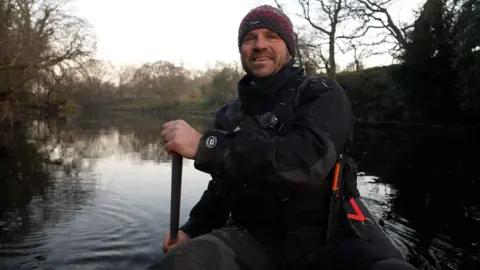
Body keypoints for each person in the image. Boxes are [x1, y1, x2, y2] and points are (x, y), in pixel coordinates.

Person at [158, 4, 417, 270]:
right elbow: (221, 189)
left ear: (289, 48)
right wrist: (192, 228)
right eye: (250, 38)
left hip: (327, 241)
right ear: (242, 51)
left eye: (271, 36)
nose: (259, 45)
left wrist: (207, 146)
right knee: (181, 262)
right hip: (254, 239)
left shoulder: (322, 94)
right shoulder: (229, 115)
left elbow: (307, 161)